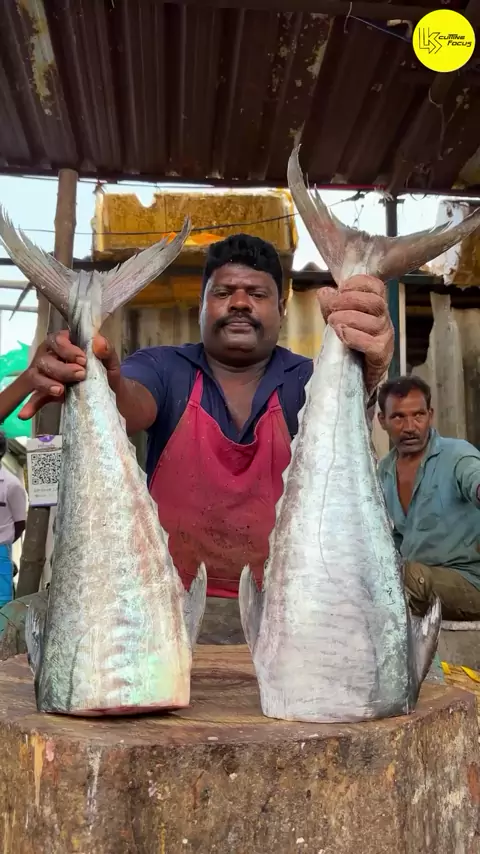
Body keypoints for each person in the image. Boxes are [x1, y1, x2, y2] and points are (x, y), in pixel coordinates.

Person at [15, 233, 394, 644]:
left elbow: (351, 427)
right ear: (201, 306)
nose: (240, 303)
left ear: (282, 310)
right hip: (163, 615)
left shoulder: (310, 378)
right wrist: (99, 382)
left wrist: (367, 370)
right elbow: (130, 404)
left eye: (257, 294)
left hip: (288, 616)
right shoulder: (164, 367)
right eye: (224, 292)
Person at [377, 374, 480, 621]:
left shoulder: (457, 454)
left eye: (418, 415)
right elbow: (392, 539)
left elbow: (474, 478)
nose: (410, 427)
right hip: (420, 583)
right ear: (382, 420)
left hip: (469, 582)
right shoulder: (384, 471)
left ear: (430, 415)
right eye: (398, 417)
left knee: (400, 578)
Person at [0, 432, 27, 608]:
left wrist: (5, 539)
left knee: (2, 605)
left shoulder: (12, 485)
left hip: (1, 550)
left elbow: (20, 524)